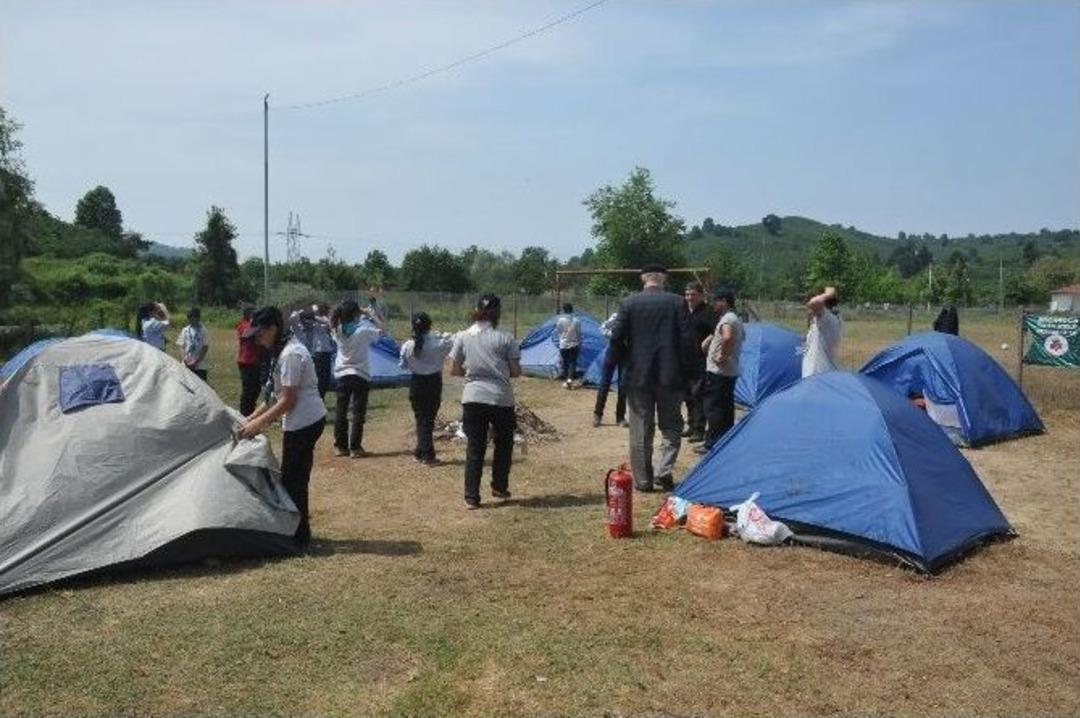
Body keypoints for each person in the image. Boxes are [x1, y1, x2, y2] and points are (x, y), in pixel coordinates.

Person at [238, 307, 326, 547]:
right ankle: (296, 532)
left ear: (273, 329)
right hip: (299, 420)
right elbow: (273, 397)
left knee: (294, 480)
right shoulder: (281, 351)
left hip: (305, 421)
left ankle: (299, 537)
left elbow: (288, 400)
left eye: (259, 333)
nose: (257, 339)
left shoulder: (291, 354)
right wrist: (249, 419)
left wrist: (258, 425)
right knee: (292, 478)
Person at [609, 265, 689, 493]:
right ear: (664, 279)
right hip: (670, 375)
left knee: (640, 429)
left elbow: (616, 338)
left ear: (643, 279)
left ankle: (643, 481)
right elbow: (686, 340)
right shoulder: (677, 302)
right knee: (672, 426)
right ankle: (664, 470)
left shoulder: (628, 303)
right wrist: (689, 373)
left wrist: (626, 361)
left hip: (638, 376)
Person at [449, 293, 522, 510]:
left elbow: (454, 370)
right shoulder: (506, 338)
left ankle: (471, 497)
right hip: (501, 398)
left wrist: (473, 373)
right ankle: (499, 487)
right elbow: (515, 371)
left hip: (472, 397)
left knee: (475, 448)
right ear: (497, 312)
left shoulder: (462, 336)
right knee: (504, 444)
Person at [330, 300, 383, 458]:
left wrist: (358, 312)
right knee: (358, 412)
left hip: (342, 374)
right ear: (355, 314)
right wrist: (371, 314)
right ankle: (355, 447)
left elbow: (332, 321)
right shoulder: (363, 331)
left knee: (341, 411)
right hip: (360, 374)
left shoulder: (337, 330)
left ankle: (340, 447)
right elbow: (382, 330)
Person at [399, 312, 454, 465]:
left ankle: (419, 451)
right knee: (428, 419)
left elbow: (402, 365)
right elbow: (452, 343)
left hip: (416, 382)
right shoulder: (439, 343)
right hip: (433, 383)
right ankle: (428, 455)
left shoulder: (408, 345)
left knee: (421, 418)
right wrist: (440, 334)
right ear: (430, 325)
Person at [696, 288, 744, 454]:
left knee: (713, 407)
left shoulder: (727, 319)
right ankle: (725, 440)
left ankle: (711, 443)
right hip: (729, 371)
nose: (712, 304)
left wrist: (721, 354)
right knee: (726, 408)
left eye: (715, 301)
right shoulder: (735, 318)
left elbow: (728, 336)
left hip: (719, 371)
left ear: (724, 301)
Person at [682, 281, 717, 444]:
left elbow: (717, 330)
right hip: (684, 360)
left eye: (693, 294)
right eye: (687, 294)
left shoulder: (708, 312)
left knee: (698, 395)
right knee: (687, 395)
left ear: (701, 295)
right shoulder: (683, 310)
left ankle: (699, 429)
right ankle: (690, 425)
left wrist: (707, 340)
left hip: (700, 360)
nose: (689, 297)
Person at [593, 311, 627, 428]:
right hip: (612, 351)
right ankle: (597, 415)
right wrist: (612, 335)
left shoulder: (636, 317)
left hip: (627, 353)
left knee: (623, 386)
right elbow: (602, 328)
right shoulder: (617, 316)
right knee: (604, 384)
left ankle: (620, 417)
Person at [802, 286, 842, 377]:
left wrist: (829, 294)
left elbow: (814, 303)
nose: (808, 310)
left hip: (818, 375)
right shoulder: (824, 320)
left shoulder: (827, 319)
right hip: (818, 375)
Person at [236, 306, 263, 416]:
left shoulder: (257, 325)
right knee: (248, 390)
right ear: (247, 315)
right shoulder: (243, 324)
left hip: (257, 361)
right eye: (253, 314)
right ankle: (244, 413)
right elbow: (246, 332)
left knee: (256, 389)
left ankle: (250, 411)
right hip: (246, 362)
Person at [177, 306, 210, 381]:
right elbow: (181, 346)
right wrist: (185, 359)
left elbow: (205, 348)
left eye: (194, 316)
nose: (191, 319)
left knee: (200, 386)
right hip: (186, 365)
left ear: (198, 317)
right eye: (189, 316)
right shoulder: (185, 330)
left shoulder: (203, 330)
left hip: (200, 366)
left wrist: (196, 361)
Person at [310, 303, 335, 399]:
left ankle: (321, 397)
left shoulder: (325, 319)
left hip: (327, 352)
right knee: (319, 377)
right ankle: (317, 398)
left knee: (325, 378)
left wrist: (315, 314)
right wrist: (314, 313)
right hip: (318, 352)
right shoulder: (313, 320)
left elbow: (329, 323)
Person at [555, 302, 583, 388]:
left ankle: (565, 376)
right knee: (572, 362)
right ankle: (569, 379)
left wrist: (562, 338)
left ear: (563, 310)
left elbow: (558, 331)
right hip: (574, 344)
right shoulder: (577, 320)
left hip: (563, 344)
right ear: (572, 310)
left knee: (565, 361)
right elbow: (579, 334)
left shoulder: (560, 320)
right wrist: (580, 343)